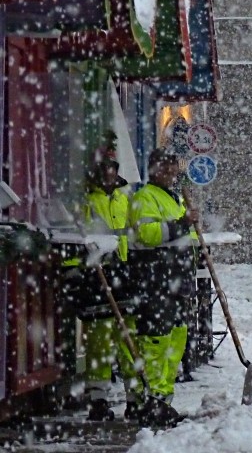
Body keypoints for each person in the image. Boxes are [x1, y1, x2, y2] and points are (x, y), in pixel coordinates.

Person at [61, 144, 139, 421]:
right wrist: (75, 272)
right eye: (104, 169)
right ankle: (99, 401)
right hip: (96, 279)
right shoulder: (85, 202)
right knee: (99, 345)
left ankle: (135, 398)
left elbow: (135, 233)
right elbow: (75, 239)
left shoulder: (126, 197)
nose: (109, 174)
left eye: (112, 169)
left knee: (128, 339)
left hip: (123, 276)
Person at [128, 148, 199, 427]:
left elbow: (183, 237)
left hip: (177, 281)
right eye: (166, 168)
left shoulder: (174, 197)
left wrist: (194, 241)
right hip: (156, 279)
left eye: (173, 168)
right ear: (154, 169)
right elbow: (147, 234)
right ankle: (153, 399)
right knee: (156, 340)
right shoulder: (145, 198)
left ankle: (164, 398)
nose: (171, 173)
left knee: (176, 337)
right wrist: (182, 224)